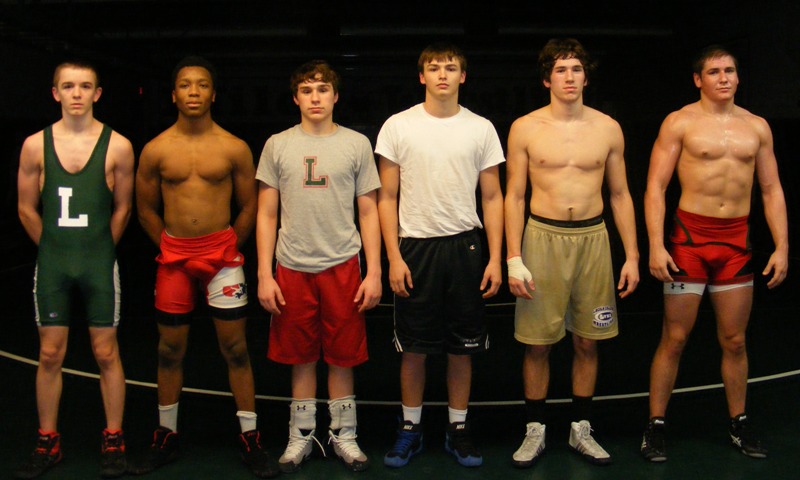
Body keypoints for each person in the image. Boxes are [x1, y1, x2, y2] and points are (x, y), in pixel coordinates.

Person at [640, 45, 788, 462]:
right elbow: (655, 187)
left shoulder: (756, 127)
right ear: (698, 79)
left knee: (735, 340)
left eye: (730, 70)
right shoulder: (680, 122)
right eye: (714, 71)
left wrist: (782, 246)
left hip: (735, 241)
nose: (724, 78)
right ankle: (655, 425)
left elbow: (771, 188)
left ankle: (739, 422)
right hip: (689, 240)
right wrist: (656, 245)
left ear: (738, 77)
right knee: (675, 337)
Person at [133, 56, 278, 478]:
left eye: (201, 85)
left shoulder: (234, 147)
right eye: (185, 85)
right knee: (168, 349)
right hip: (174, 258)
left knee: (236, 348)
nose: (193, 92)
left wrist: (228, 245)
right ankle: (166, 435)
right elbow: (145, 208)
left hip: (222, 258)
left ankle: (250, 437)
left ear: (213, 94)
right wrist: (169, 246)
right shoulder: (156, 149)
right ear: (173, 94)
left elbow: (250, 205)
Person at [504, 38, 640, 468]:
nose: (569, 77)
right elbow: (514, 196)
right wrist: (513, 258)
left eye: (576, 69)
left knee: (587, 340)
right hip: (541, 238)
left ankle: (581, 428)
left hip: (593, 239)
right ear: (547, 78)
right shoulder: (525, 127)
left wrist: (632, 255)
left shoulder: (607, 128)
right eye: (560, 70)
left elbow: (620, 194)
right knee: (537, 344)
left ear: (586, 77)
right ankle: (535, 429)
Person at [376, 42, 505, 469]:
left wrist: (495, 258)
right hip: (415, 248)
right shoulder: (398, 126)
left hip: (466, 247)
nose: (443, 74)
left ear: (463, 76)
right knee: (413, 348)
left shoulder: (481, 128)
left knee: (461, 348)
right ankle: (409, 429)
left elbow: (493, 196)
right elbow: (386, 197)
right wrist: (393, 257)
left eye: (451, 67)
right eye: (434, 68)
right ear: (422, 76)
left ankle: (458, 428)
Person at [255, 59, 382, 473]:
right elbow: (266, 213)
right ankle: (301, 435)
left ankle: (345, 435)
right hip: (292, 265)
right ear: (295, 98)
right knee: (301, 356)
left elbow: (369, 211)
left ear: (335, 96)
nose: (315, 97)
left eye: (323, 89)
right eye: (307, 90)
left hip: (343, 264)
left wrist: (374, 271)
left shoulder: (356, 144)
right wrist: (264, 274)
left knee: (343, 356)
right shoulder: (277, 144)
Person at [15, 60, 135, 479]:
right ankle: (47, 439)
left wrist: (97, 249)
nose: (77, 93)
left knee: (106, 352)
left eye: (85, 86)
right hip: (54, 262)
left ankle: (114, 437)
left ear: (97, 93)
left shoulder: (118, 145)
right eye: (68, 86)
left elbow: (123, 208)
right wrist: (55, 248)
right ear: (56, 93)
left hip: (98, 261)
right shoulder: (35, 145)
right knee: (50, 353)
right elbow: (26, 208)